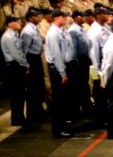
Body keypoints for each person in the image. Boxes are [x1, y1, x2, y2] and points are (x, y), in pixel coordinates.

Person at [45, 9, 74, 138]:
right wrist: (63, 73)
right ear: (57, 18)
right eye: (64, 17)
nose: (65, 19)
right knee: (58, 101)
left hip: (60, 67)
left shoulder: (59, 31)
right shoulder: (53, 34)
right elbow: (57, 55)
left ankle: (62, 126)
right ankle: (58, 130)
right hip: (57, 69)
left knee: (63, 100)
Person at [1, 16, 29, 126]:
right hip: (14, 67)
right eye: (17, 22)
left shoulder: (15, 35)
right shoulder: (8, 37)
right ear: (10, 24)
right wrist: (25, 64)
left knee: (20, 93)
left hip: (18, 65)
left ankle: (20, 116)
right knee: (17, 94)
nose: (19, 23)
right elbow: (16, 54)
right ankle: (17, 119)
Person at [20, 9, 46, 122]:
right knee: (32, 88)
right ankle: (32, 114)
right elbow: (24, 50)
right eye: (36, 16)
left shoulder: (35, 28)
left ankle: (39, 110)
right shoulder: (27, 31)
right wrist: (26, 65)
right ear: (30, 18)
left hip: (37, 58)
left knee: (39, 86)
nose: (39, 17)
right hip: (31, 59)